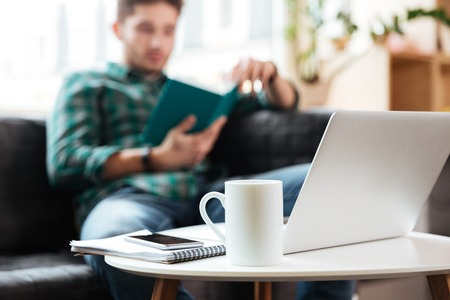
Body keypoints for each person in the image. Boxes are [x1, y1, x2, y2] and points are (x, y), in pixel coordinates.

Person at [46, 0, 355, 299]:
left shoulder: (190, 90)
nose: (158, 41)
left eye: (169, 30)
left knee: (325, 182)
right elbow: (64, 162)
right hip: (129, 199)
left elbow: (282, 102)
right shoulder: (85, 83)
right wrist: (154, 158)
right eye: (144, 28)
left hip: (208, 196)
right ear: (118, 29)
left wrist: (270, 74)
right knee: (113, 240)